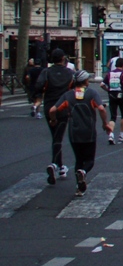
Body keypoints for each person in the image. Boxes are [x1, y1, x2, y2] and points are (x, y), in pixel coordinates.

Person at [48, 70, 110, 197]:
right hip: (89, 130)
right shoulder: (92, 93)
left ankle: (79, 186)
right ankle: (83, 172)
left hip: (74, 131)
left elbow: (53, 109)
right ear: (86, 81)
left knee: (79, 159)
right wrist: (105, 123)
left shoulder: (68, 95)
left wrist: (53, 120)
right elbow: (102, 108)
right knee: (90, 160)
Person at [36, 48, 76, 184]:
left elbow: (39, 86)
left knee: (55, 136)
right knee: (58, 137)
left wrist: (40, 95)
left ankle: (59, 166)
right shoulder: (70, 73)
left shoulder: (46, 72)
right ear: (63, 58)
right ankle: (55, 165)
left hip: (49, 106)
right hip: (63, 107)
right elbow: (76, 88)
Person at [103, 57, 123, 144]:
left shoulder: (109, 74)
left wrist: (108, 90)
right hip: (121, 94)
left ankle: (111, 134)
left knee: (113, 116)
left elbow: (102, 84)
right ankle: (122, 135)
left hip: (112, 95)